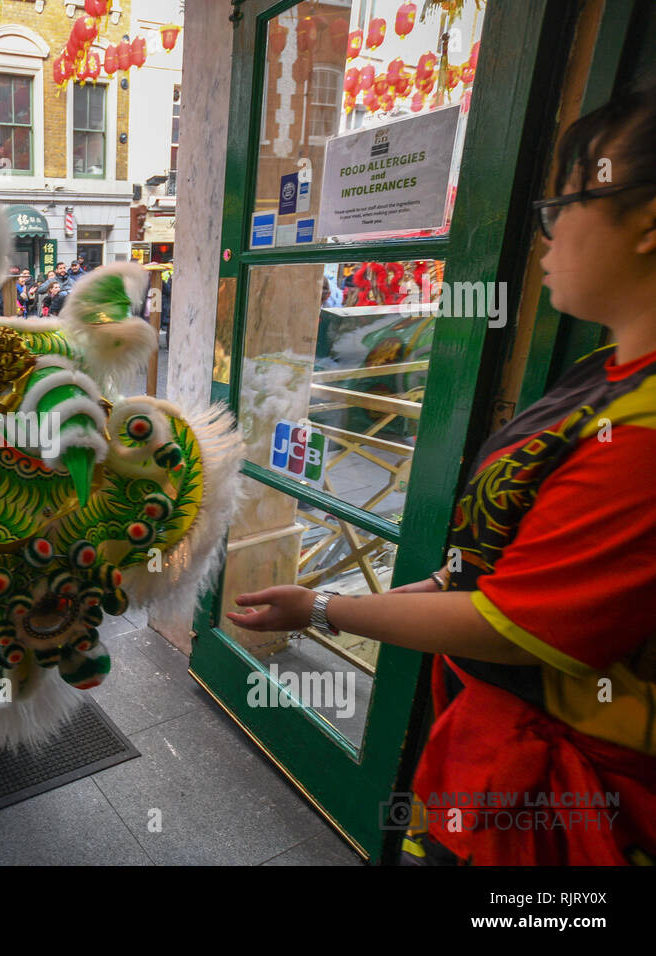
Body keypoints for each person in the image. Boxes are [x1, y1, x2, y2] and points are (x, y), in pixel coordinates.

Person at [227, 88, 656, 867]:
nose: (547, 233)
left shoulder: (643, 434)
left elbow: (509, 621)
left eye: (566, 202)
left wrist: (326, 606)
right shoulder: (607, 374)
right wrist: (345, 603)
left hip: (584, 810)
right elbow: (488, 570)